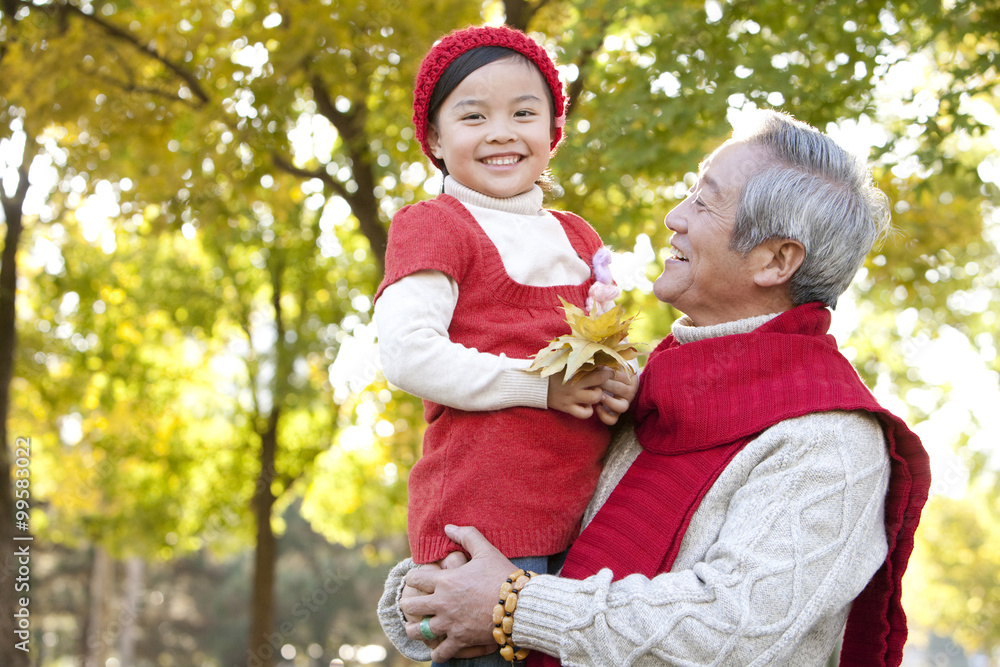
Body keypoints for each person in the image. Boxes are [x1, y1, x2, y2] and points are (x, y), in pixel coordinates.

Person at [377, 109, 932, 667]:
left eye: (705, 201)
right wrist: (440, 592)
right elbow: (537, 539)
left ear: (776, 259)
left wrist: (513, 607)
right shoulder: (640, 398)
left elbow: (734, 629)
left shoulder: (829, 442)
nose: (674, 216)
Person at [372, 23, 640, 658]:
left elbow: (605, 353)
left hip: (587, 513)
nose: (501, 131)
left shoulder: (578, 237)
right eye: (473, 115)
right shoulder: (434, 225)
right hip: (486, 518)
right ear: (434, 138)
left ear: (553, 132)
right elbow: (408, 354)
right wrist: (538, 387)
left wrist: (620, 383)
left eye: (525, 113)